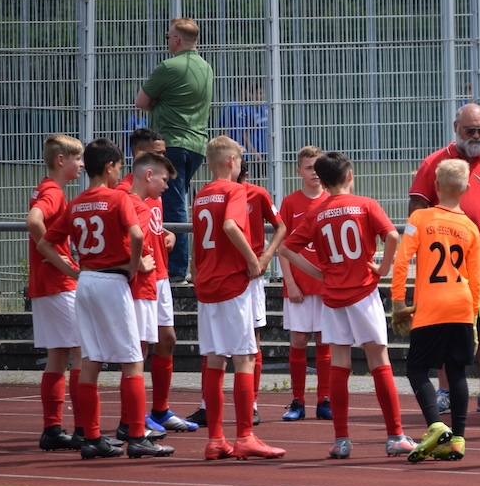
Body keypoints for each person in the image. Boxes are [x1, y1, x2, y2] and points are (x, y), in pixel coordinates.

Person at [38, 138, 173, 459]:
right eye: (119, 167)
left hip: (87, 282)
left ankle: (91, 437)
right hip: (113, 281)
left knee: (91, 360)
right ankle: (137, 436)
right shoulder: (118, 198)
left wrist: (73, 271)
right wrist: (132, 265)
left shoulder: (76, 202)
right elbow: (137, 235)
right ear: (110, 166)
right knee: (133, 359)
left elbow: (45, 244)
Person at [279, 151, 416, 459]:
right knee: (378, 360)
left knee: (339, 363)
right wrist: (383, 269)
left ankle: (341, 440)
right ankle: (395, 435)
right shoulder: (366, 204)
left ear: (323, 181)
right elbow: (392, 235)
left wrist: (320, 273)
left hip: (332, 297)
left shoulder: (317, 212)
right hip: (363, 293)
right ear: (349, 176)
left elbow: (286, 248)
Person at [408, 103, 480, 414]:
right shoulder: (435, 162)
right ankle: (445, 390)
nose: (476, 136)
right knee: (446, 329)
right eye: (470, 130)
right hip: (447, 268)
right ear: (456, 128)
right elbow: (417, 207)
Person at [192, 136, 285, 460]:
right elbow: (231, 226)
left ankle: (216, 439)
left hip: (207, 285)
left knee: (215, 359)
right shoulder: (235, 190)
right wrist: (253, 261)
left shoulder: (201, 195)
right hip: (232, 283)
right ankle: (245, 435)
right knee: (245, 357)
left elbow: (198, 245)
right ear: (232, 161)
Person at [394, 158, 480, 462]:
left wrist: (398, 302)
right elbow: (475, 280)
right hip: (461, 305)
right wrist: (473, 319)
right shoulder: (471, 228)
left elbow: (402, 261)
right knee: (456, 370)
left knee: (416, 368)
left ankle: (435, 424)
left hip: (431, 305)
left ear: (435, 186)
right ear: (466, 189)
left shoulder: (419, 218)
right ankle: (458, 439)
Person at [114, 128, 197, 436]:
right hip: (142, 279)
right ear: (140, 155)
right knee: (137, 349)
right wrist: (135, 263)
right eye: (158, 153)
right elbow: (123, 235)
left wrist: (166, 235)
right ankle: (131, 419)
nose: (165, 157)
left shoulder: (155, 190)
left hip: (160, 275)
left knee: (167, 339)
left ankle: (160, 410)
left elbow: (150, 228)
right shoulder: (126, 192)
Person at [135, 17, 214, 283]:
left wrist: (158, 101)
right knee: (177, 200)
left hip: (172, 143)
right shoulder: (206, 68)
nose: (167, 41)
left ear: (177, 40)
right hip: (197, 144)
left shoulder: (168, 67)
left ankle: (176, 269)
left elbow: (141, 101)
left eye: (168, 37)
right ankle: (178, 263)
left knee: (173, 204)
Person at [28, 134, 84, 452]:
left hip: (46, 284)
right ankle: (83, 428)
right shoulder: (52, 192)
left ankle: (53, 429)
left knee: (59, 355)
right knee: (82, 351)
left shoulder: (46, 188)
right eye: (77, 158)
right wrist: (55, 255)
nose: (82, 164)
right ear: (61, 161)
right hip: (58, 284)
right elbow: (34, 220)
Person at [277, 146, 332, 422]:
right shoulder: (290, 203)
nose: (314, 173)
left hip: (325, 285)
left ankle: (325, 399)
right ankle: (297, 400)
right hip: (298, 285)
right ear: (299, 171)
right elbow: (283, 246)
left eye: (318, 167)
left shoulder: (331, 200)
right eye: (309, 168)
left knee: (325, 340)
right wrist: (290, 282)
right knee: (299, 339)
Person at [220, 81, 268, 171]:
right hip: (234, 148)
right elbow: (224, 128)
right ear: (242, 91)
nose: (251, 94)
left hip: (247, 150)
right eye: (249, 91)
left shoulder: (249, 107)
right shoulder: (231, 107)